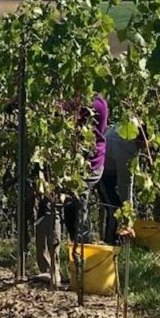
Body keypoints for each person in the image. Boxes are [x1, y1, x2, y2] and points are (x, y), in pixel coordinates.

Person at [34, 94, 108, 282]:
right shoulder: (98, 101)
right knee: (76, 210)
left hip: (81, 164)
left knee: (54, 207)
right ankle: (81, 272)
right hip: (90, 164)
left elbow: (59, 118)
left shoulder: (87, 104)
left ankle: (55, 271)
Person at [99, 121, 147, 245]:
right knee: (113, 208)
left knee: (118, 206)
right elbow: (125, 183)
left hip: (111, 167)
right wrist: (128, 212)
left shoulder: (132, 125)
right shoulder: (125, 150)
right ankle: (110, 243)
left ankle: (116, 239)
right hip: (103, 173)